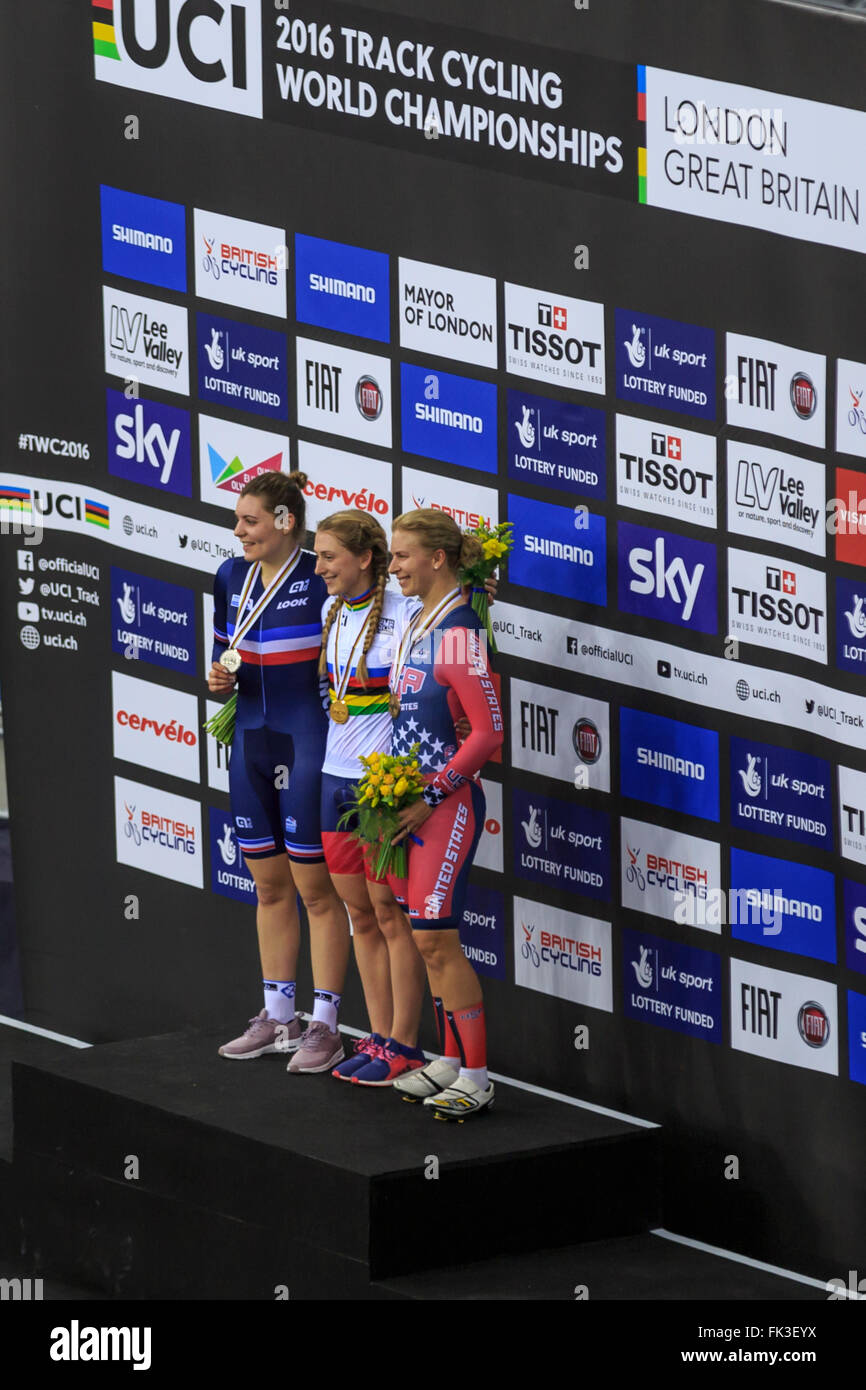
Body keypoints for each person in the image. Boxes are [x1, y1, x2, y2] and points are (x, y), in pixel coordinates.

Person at [207, 471, 349, 1074]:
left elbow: (387, 622)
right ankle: (278, 1015)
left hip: (308, 739)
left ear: (286, 521)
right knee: (267, 886)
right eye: (239, 520)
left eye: (250, 520)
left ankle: (326, 1025)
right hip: (250, 739)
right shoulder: (230, 577)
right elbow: (224, 657)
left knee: (317, 892)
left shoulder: (321, 573)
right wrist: (217, 677)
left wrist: (476, 594)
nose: (239, 531)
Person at [385, 509, 504, 1120]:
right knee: (422, 937)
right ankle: (451, 1060)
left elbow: (489, 735)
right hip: (405, 804)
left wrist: (429, 796)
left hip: (444, 805)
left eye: (402, 555)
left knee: (435, 937)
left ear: (437, 558)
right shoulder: (416, 619)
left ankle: (479, 1076)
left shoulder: (459, 631)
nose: (393, 565)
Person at [313, 510, 429, 1086]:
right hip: (333, 780)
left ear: (365, 558)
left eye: (329, 557)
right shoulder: (330, 612)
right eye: (317, 556)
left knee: (390, 913)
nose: (320, 567)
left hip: (381, 785)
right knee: (359, 913)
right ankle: (379, 1037)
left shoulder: (407, 612)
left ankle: (406, 1043)